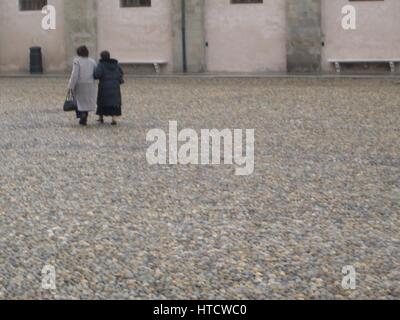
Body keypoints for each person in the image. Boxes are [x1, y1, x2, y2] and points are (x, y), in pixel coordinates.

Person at [67, 46, 97, 126]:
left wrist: (71, 85)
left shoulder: (77, 61)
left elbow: (74, 74)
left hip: (80, 83)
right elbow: (96, 72)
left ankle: (82, 115)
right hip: (90, 83)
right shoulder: (92, 61)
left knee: (79, 101)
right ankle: (85, 115)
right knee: (86, 101)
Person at [94, 51, 124, 125]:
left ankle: (101, 117)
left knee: (102, 101)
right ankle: (114, 118)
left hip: (104, 85)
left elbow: (97, 74)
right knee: (114, 102)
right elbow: (121, 73)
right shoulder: (116, 64)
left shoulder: (101, 65)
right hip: (115, 86)